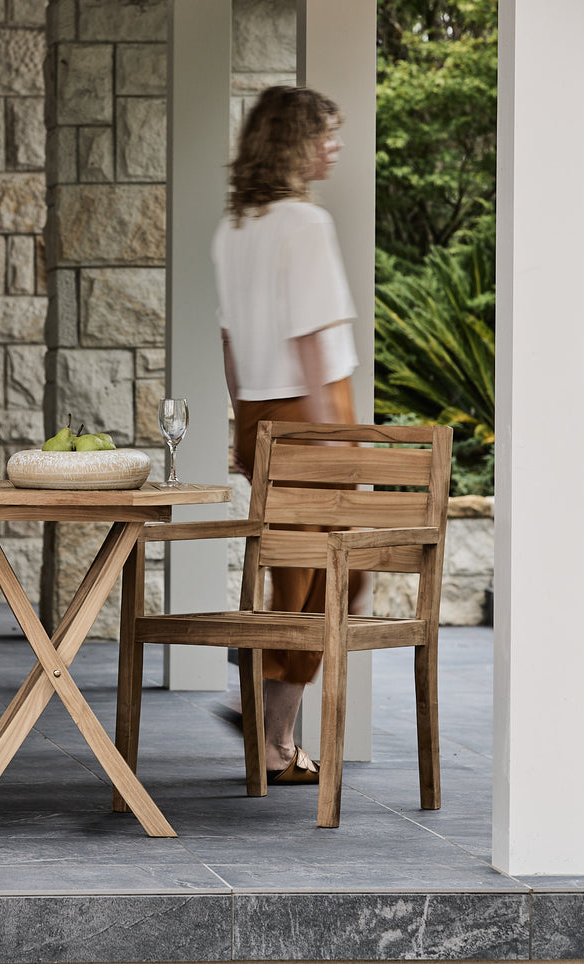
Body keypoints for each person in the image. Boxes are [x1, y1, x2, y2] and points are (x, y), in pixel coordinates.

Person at [212, 85, 367, 786]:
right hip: (313, 413)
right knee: (330, 581)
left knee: (302, 578)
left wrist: (244, 428)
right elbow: (311, 341)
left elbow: (229, 343)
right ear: (293, 142)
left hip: (259, 411)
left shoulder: (233, 229)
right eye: (324, 134)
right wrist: (340, 446)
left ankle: (270, 731)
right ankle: (269, 718)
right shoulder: (304, 224)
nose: (333, 145)